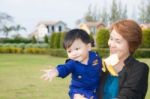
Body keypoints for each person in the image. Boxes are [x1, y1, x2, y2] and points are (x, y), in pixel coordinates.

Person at [41, 29, 102, 99]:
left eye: (77, 49)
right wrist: (56, 71)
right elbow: (65, 68)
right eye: (69, 51)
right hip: (79, 90)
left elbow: (102, 67)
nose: (74, 53)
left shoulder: (95, 57)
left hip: (94, 90)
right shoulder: (73, 63)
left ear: (88, 47)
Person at [97, 19, 149, 99]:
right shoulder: (102, 67)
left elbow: (128, 96)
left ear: (131, 45)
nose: (111, 44)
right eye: (111, 39)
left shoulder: (139, 69)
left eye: (118, 41)